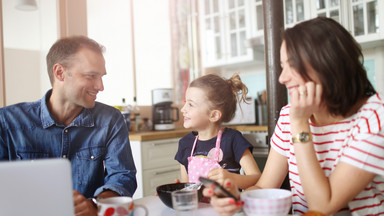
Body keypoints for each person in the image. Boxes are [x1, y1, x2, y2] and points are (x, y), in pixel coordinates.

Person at [203, 17, 384, 216]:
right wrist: (237, 199)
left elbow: (323, 207)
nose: (282, 78)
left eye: (292, 65)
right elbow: (264, 188)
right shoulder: (290, 114)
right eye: (282, 66)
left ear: (326, 63)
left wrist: (299, 124)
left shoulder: (374, 117)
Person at [0, 36, 137, 216]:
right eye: (91, 76)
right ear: (60, 73)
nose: (100, 86)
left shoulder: (110, 119)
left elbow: (123, 176)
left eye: (101, 77)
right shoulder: (7, 121)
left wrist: (96, 203)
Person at [174, 73, 261, 191]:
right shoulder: (185, 144)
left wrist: (232, 178)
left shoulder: (233, 139)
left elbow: (256, 178)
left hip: (227, 207)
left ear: (214, 115)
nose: (183, 109)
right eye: (185, 103)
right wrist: (176, 192)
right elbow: (187, 185)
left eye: (190, 104)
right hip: (198, 208)